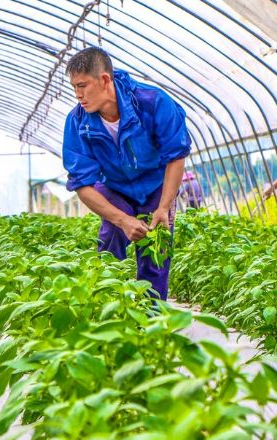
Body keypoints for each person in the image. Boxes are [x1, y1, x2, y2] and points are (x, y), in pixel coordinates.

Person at [62, 47, 191, 301]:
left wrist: (164, 207)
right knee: (111, 236)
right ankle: (109, 306)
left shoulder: (151, 102)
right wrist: (122, 220)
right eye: (74, 87)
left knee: (156, 248)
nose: (78, 95)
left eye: (83, 86)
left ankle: (151, 323)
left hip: (156, 185)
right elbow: (82, 183)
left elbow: (176, 155)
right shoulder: (78, 122)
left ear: (105, 80)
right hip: (114, 186)